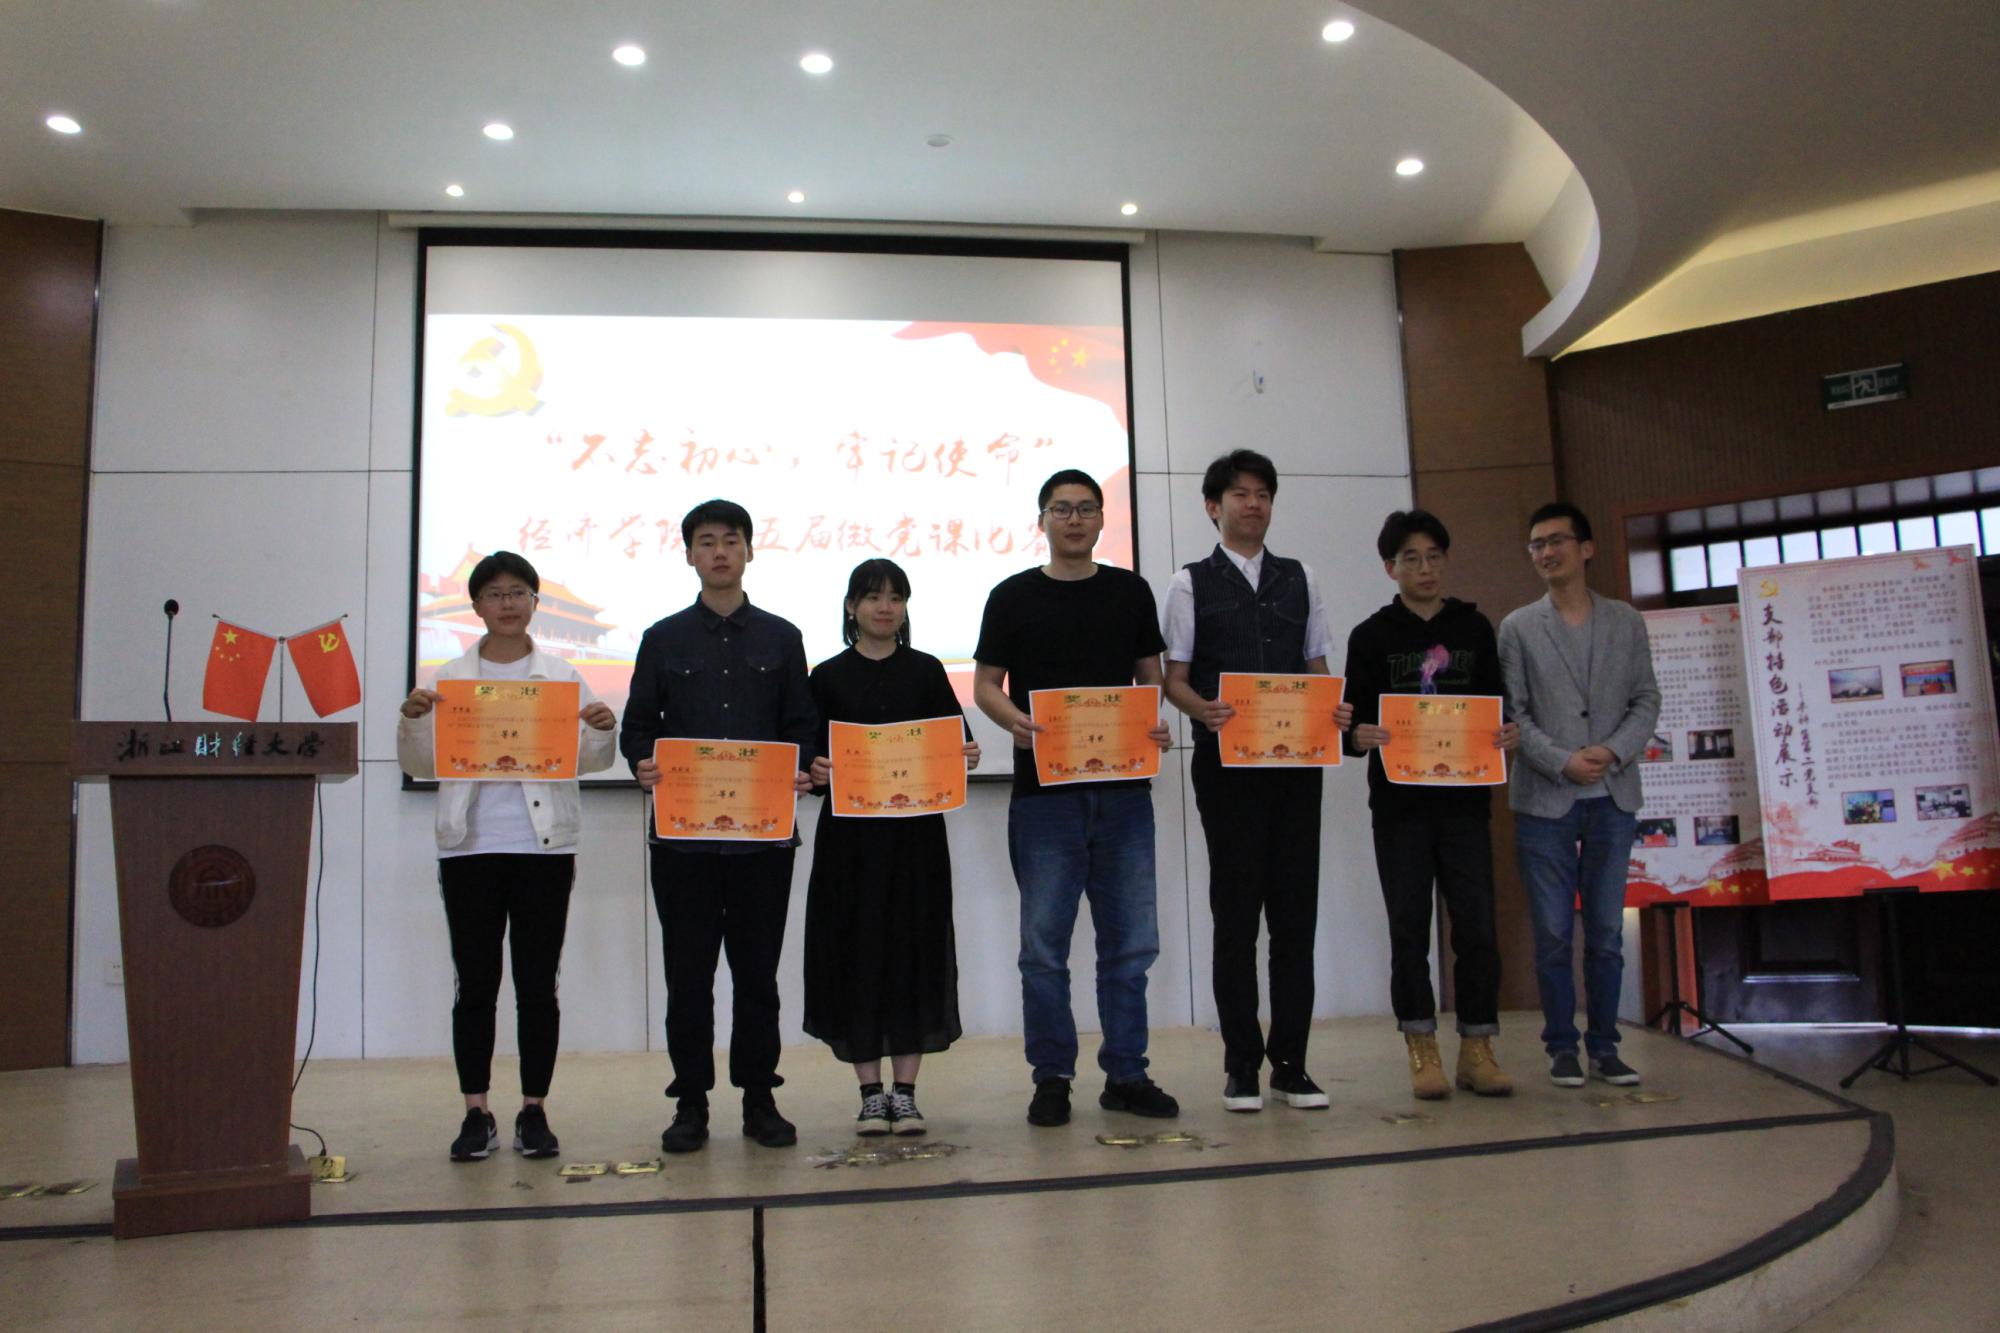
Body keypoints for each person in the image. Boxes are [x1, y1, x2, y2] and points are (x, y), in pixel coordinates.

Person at [396, 550, 618, 1162]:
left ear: (535, 602)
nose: (508, 604)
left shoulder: (562, 676)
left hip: (543, 846)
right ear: (476, 606)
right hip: (469, 846)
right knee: (475, 984)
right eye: (495, 594)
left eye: (519, 592)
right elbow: (420, 764)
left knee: (537, 985)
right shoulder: (448, 680)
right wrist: (413, 723)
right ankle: (476, 1113)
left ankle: (533, 1110)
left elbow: (588, 760)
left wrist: (602, 729)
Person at [974, 468, 1179, 1128]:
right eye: (1061, 509)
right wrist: (1014, 721)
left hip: (1124, 795)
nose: (1074, 519)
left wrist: (1154, 724)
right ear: (1042, 520)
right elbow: (985, 685)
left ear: (1101, 519)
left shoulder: (1129, 591)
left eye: (1086, 508)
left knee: (1131, 944)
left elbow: (1149, 679)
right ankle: (1052, 1077)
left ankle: (1127, 1073)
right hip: (1045, 798)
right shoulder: (1012, 596)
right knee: (1044, 948)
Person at [621, 499, 818, 1153]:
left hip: (764, 837)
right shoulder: (663, 638)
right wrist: (642, 762)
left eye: (731, 540)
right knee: (689, 976)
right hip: (684, 840)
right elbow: (638, 727)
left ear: (749, 551)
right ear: (689, 555)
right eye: (706, 542)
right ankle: (691, 1102)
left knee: (758, 975)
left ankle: (760, 1098)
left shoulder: (783, 637)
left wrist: (802, 767)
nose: (719, 552)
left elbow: (801, 725)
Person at [1161, 449, 1350, 1113]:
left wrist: (1335, 707)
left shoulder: (1301, 577)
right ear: (1213, 507)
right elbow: (1174, 680)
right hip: (1227, 768)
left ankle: (1292, 1064)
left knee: (1295, 917)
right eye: (1240, 494)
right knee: (1236, 917)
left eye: (1263, 494)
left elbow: (1317, 667)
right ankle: (1241, 1064)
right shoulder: (1189, 583)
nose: (1253, 504)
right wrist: (1203, 710)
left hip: (1297, 766)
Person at [1344, 511, 1519, 1100]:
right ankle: (1421, 1046)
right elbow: (1350, 723)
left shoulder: (1474, 628)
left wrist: (1507, 732)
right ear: (1389, 567)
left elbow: (1497, 705)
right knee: (1408, 929)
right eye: (1411, 558)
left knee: (1477, 928)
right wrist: (1357, 736)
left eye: (1434, 556)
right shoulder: (1371, 635)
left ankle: (1477, 1048)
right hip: (1400, 807)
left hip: (1466, 802)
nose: (1424, 568)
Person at [804, 559, 980, 1136]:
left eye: (896, 597)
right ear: (851, 607)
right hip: (850, 844)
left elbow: (957, 741)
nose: (885, 608)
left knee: (914, 950)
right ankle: (869, 1093)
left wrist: (967, 754)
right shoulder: (827, 676)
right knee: (855, 952)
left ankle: (905, 1093)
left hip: (915, 839)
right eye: (873, 597)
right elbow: (810, 758)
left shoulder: (926, 670)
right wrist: (817, 769)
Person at [1498, 501, 1661, 1088]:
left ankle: (1606, 1046)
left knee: (1607, 934)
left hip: (1613, 796)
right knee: (1552, 934)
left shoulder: (1625, 621)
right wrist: (1563, 760)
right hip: (1545, 799)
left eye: (1556, 541)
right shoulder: (1518, 627)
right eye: (1536, 544)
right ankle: (1561, 1047)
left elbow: (1646, 699)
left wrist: (1612, 751)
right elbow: (1513, 713)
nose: (1546, 552)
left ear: (1586, 549)